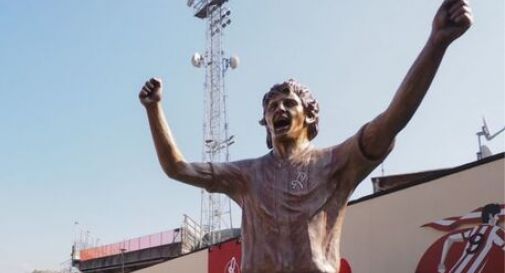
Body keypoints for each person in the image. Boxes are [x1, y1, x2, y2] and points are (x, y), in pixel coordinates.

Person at [139, 0, 473, 272]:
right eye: (271, 106)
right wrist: (154, 110)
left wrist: (436, 43)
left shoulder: (336, 163)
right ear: (266, 124)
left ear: (309, 115)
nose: (277, 110)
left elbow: (392, 120)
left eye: (288, 103)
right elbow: (177, 168)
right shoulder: (246, 176)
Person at [437, 204, 504, 273]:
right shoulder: (496, 230)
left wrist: (441, 263)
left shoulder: (475, 229)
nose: (498, 218)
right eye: (497, 215)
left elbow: (450, 239)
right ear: (490, 215)